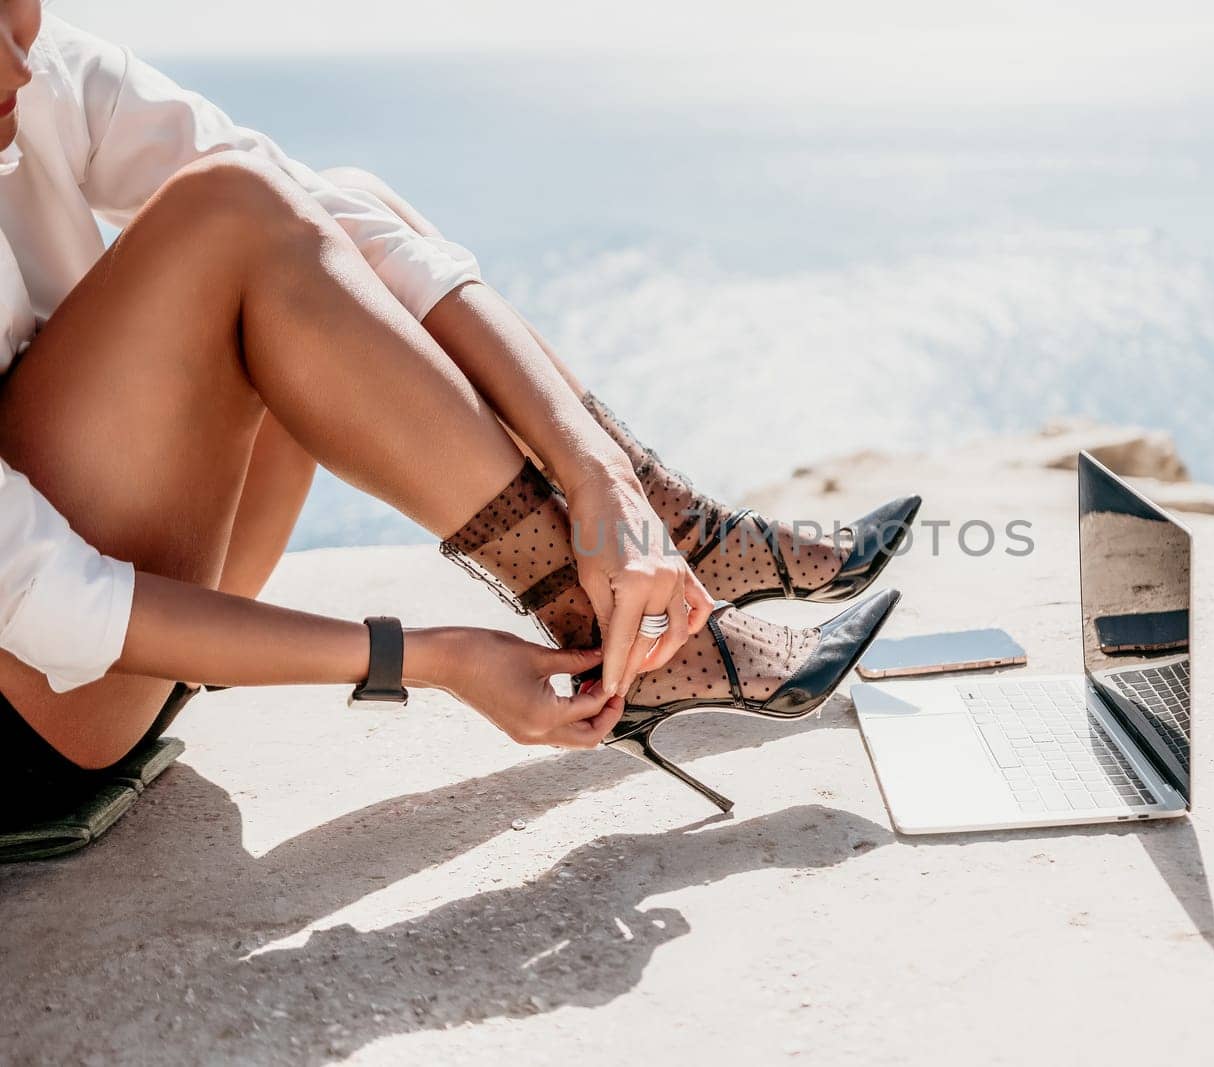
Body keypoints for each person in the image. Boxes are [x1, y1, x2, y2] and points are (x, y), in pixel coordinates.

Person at [0, 4, 917, 813]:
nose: (15, 61)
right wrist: (427, 657)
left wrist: (599, 473)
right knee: (232, 217)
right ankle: (640, 637)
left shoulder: (46, 73)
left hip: (135, 633)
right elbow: (53, 602)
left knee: (339, 205)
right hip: (40, 705)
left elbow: (331, 223)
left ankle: (673, 523)